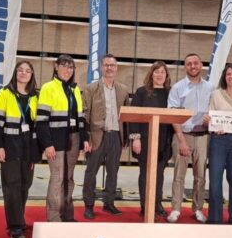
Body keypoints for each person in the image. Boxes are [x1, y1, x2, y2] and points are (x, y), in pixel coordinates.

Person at [0, 60, 40, 238]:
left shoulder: (36, 96)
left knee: (25, 185)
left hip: (28, 146)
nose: (24, 73)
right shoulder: (4, 94)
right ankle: (15, 226)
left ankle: (19, 219)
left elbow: (38, 126)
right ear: (15, 73)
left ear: (32, 75)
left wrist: (36, 152)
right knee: (12, 186)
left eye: (27, 71)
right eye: (20, 70)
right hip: (10, 145)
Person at [36, 55, 89, 223]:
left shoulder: (75, 89)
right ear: (56, 66)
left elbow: (81, 118)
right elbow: (41, 120)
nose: (68, 70)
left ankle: (67, 215)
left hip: (74, 138)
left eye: (71, 67)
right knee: (57, 178)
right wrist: (47, 144)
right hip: (56, 140)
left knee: (69, 178)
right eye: (64, 66)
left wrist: (84, 139)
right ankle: (53, 217)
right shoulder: (48, 88)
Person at [167, 53, 213, 223]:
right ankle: (176, 209)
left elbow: (215, 110)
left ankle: (198, 208)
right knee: (179, 175)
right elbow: (173, 115)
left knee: (200, 176)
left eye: (195, 63)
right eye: (189, 64)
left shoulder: (211, 88)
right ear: (185, 67)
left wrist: (212, 120)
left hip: (203, 136)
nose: (193, 66)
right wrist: (181, 140)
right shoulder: (177, 88)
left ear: (201, 65)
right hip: (183, 135)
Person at [82, 54, 129, 219]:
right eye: (106, 65)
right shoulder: (91, 88)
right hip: (96, 136)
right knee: (91, 172)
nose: (109, 68)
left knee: (113, 172)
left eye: (112, 65)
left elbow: (126, 116)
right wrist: (86, 138)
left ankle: (109, 203)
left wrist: (125, 138)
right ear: (101, 67)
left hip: (116, 136)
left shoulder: (123, 90)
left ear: (116, 68)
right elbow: (85, 114)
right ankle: (89, 205)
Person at [205, 64, 232, 225]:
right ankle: (215, 219)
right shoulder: (216, 94)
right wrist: (209, 122)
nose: (231, 77)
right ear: (224, 76)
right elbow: (210, 115)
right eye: (228, 74)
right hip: (218, 140)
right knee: (215, 181)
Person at [130, 61, 173, 219]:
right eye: (156, 71)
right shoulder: (142, 92)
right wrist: (136, 138)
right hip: (145, 139)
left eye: (162, 72)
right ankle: (145, 205)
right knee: (145, 173)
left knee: (159, 174)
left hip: (164, 140)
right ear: (151, 74)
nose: (159, 74)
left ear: (166, 75)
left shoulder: (170, 93)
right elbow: (133, 116)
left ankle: (157, 203)